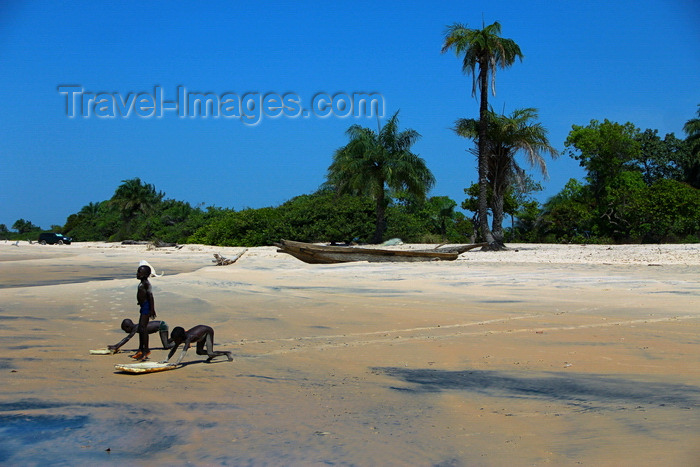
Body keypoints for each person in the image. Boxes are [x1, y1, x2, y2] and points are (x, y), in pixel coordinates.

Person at [162, 325, 233, 365]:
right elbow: (174, 349)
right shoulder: (179, 338)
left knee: (210, 353)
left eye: (175, 339)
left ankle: (227, 353)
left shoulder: (188, 338)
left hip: (207, 331)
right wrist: (166, 359)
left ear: (180, 337)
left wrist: (176, 363)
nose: (175, 341)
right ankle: (212, 356)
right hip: (199, 335)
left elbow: (184, 352)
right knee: (199, 352)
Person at [132, 263, 156, 360]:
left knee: (143, 328)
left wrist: (152, 309)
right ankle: (141, 349)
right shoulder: (142, 283)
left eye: (139, 272)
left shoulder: (146, 283)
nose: (137, 274)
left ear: (146, 274)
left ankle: (146, 350)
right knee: (141, 329)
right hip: (143, 306)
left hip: (146, 307)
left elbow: (150, 296)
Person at [107, 319, 173, 354]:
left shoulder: (136, 328)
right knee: (166, 342)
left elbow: (127, 338)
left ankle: (180, 340)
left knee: (166, 346)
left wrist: (116, 346)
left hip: (162, 326)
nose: (125, 332)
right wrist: (115, 345)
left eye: (125, 330)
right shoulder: (137, 327)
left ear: (128, 327)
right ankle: (177, 338)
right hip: (162, 323)